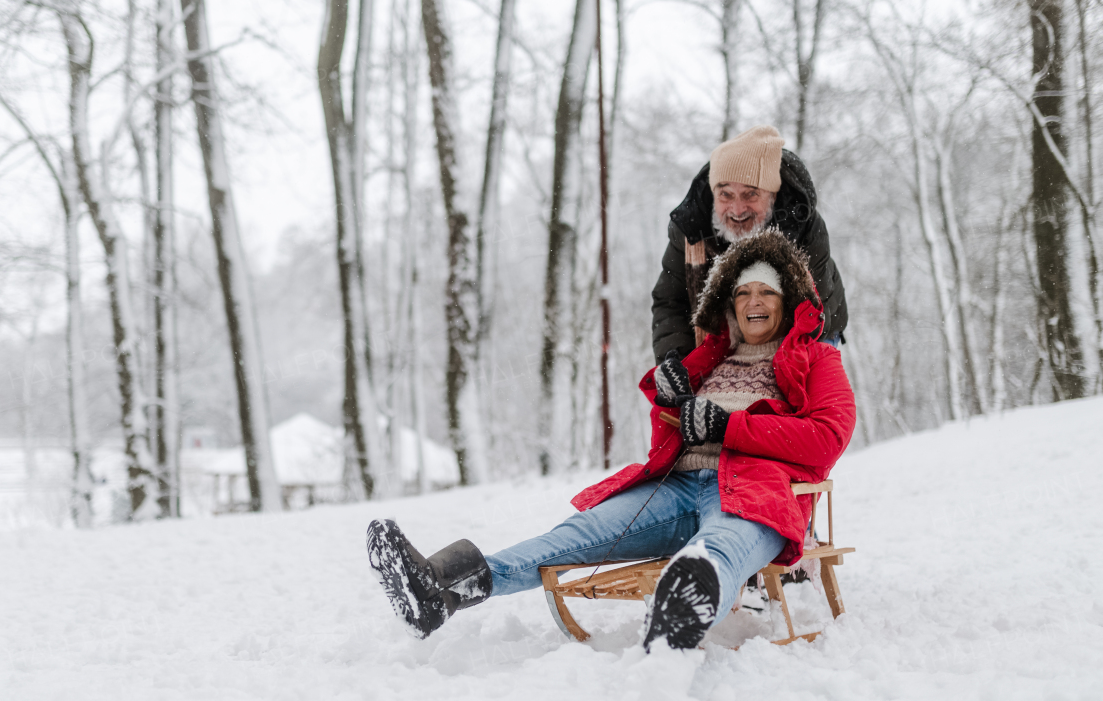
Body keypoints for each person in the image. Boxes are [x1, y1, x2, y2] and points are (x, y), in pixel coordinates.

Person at [366, 230, 857, 651]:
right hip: (676, 486)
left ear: (787, 299)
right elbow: (664, 446)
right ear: (729, 302)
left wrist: (728, 427)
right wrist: (668, 406)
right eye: (743, 292)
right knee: (572, 538)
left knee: (720, 547)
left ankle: (679, 612)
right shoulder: (710, 357)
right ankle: (443, 590)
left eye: (766, 293)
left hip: (756, 491)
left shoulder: (815, 359)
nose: (753, 302)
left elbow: (828, 438)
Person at [652, 124, 848, 363]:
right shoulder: (690, 229)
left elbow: (813, 313)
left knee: (809, 383)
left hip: (816, 324)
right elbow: (671, 302)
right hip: (723, 333)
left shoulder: (802, 225)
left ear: (772, 196)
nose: (737, 209)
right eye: (726, 195)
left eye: (751, 194)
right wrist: (675, 362)